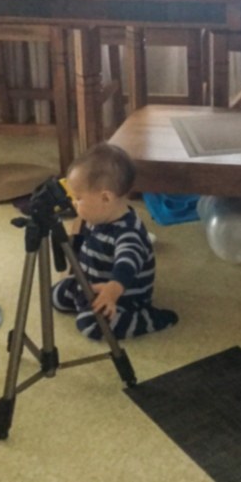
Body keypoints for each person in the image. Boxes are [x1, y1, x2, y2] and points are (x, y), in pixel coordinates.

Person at [52, 142, 178, 340]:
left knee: (91, 326)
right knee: (56, 296)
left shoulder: (129, 233)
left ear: (105, 198)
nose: (73, 203)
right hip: (91, 283)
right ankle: (86, 301)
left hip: (123, 296)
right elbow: (85, 243)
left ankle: (149, 318)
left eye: (78, 198)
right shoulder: (96, 217)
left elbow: (126, 265)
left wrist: (113, 290)